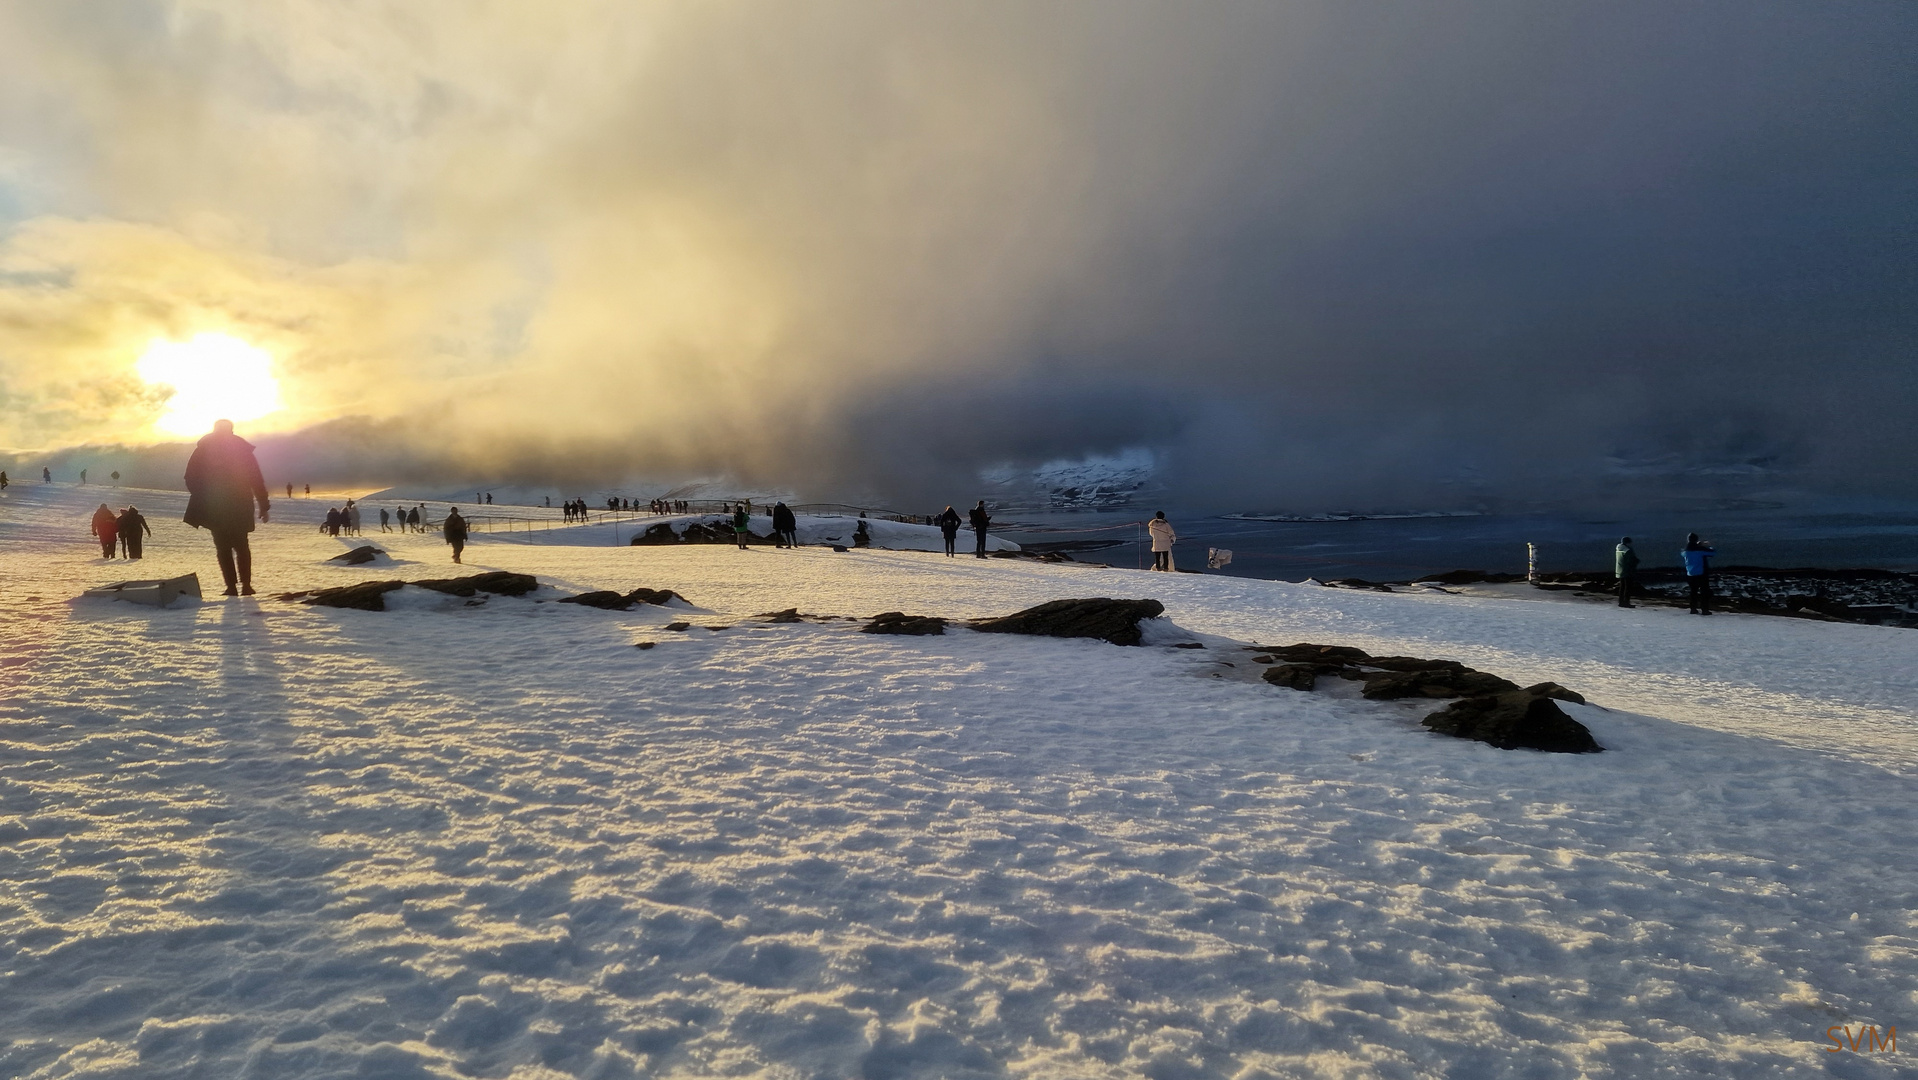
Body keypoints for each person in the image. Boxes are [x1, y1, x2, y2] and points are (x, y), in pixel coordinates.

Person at [183, 419, 270, 596]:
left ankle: (232, 587)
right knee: (241, 546)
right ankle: (245, 585)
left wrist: (202, 495)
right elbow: (256, 480)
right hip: (239, 504)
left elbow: (190, 477)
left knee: (223, 547)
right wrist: (263, 506)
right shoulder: (242, 450)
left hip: (216, 506)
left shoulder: (204, 449)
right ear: (231, 430)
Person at [1682, 533, 1715, 615]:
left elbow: (1684, 553)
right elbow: (1713, 553)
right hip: (1701, 572)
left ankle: (1693, 609)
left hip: (1690, 573)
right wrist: (1709, 546)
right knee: (1704, 591)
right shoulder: (1700, 550)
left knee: (1693, 592)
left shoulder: (1685, 551)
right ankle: (1705, 610)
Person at [1615, 537, 1639, 608]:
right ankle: (1626, 602)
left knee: (1622, 587)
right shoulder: (1628, 551)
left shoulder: (1618, 549)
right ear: (1627, 543)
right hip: (1627, 571)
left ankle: (1621, 602)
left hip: (1620, 570)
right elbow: (1631, 561)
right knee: (1628, 587)